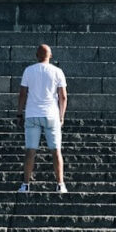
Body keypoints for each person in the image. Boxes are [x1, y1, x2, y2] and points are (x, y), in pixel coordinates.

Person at [16, 43, 68, 193]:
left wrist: (19, 113)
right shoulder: (57, 71)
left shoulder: (28, 71)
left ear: (36, 55)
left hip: (32, 114)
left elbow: (22, 94)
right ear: (50, 56)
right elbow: (63, 96)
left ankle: (25, 185)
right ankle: (60, 184)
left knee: (30, 151)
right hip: (51, 114)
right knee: (56, 151)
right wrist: (61, 116)